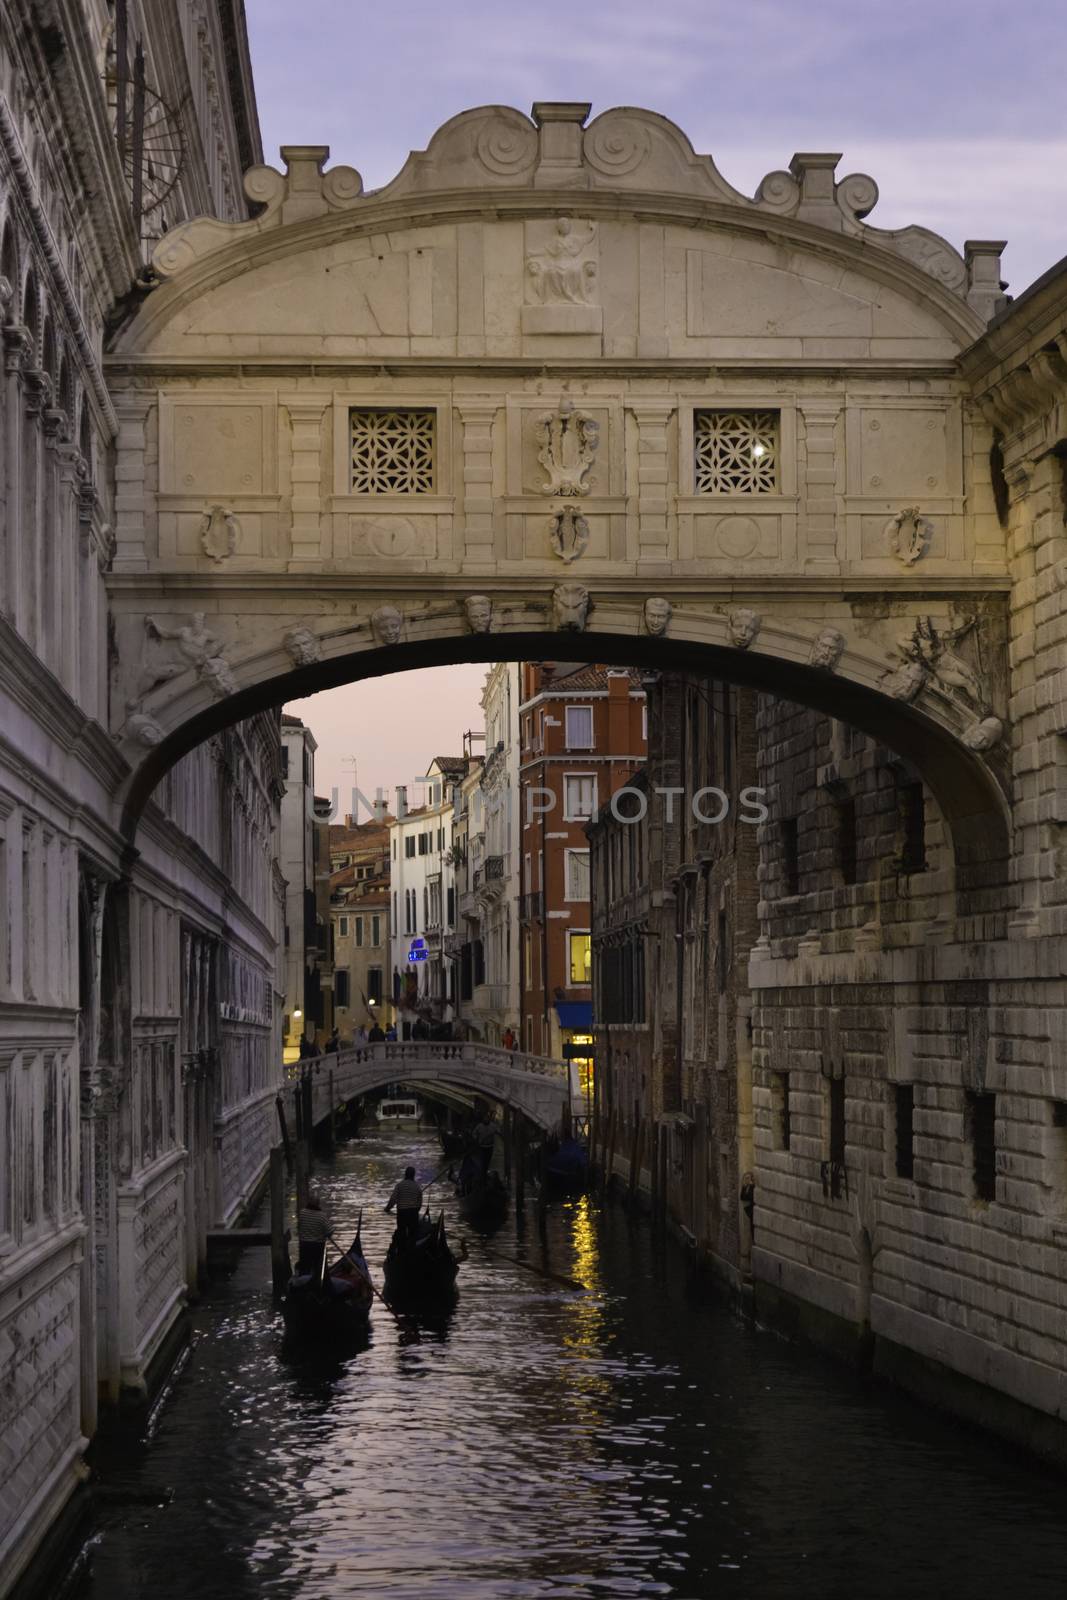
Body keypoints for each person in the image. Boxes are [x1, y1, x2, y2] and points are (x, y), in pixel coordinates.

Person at [385, 1165, 423, 1246]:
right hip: (413, 1213)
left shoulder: (399, 1185)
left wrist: (387, 1208)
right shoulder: (417, 1187)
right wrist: (416, 1211)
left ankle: (402, 1249)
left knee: (401, 1232)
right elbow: (420, 1203)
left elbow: (393, 1199)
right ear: (413, 1175)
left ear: (405, 1175)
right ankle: (411, 1249)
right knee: (412, 1234)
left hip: (402, 1213)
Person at [296, 1191, 330, 1277]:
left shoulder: (302, 1213)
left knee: (305, 1267)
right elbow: (330, 1231)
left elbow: (299, 1227)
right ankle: (317, 1278)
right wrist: (324, 1233)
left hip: (304, 1245)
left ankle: (304, 1279)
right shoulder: (322, 1216)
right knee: (317, 1267)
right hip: (317, 1246)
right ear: (318, 1204)